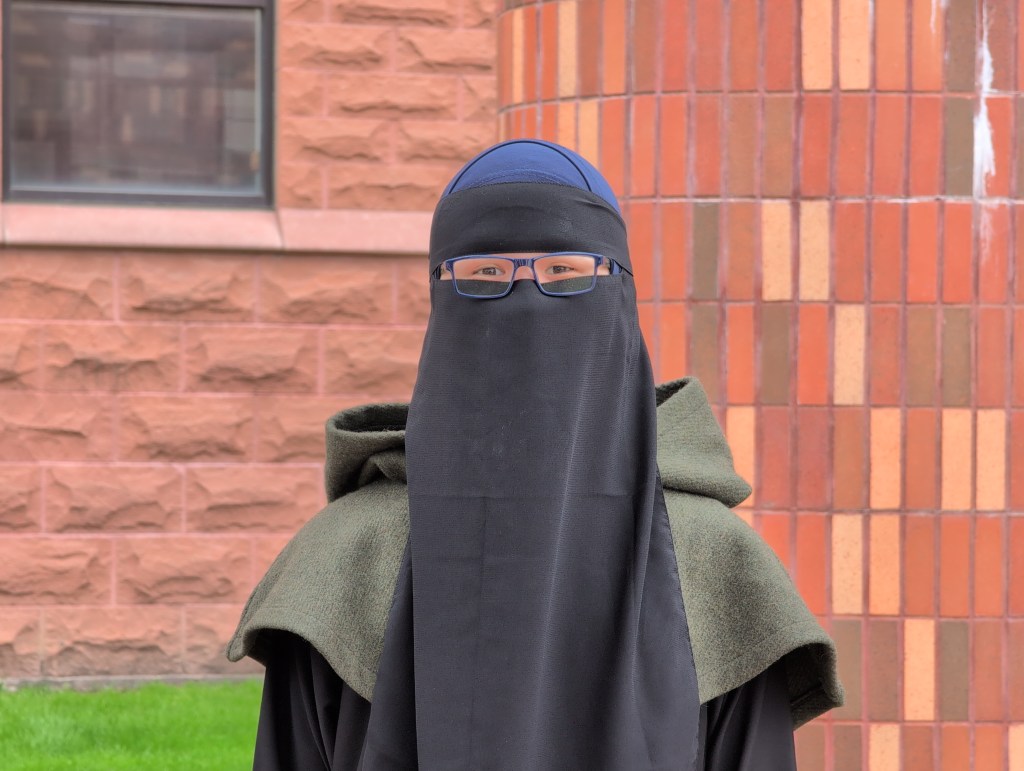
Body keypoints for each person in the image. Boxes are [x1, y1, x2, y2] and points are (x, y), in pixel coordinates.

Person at [228, 140, 843, 770]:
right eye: (485, 274)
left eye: (565, 272)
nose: (527, 296)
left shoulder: (715, 563)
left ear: (619, 293)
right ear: (440, 295)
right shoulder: (347, 556)